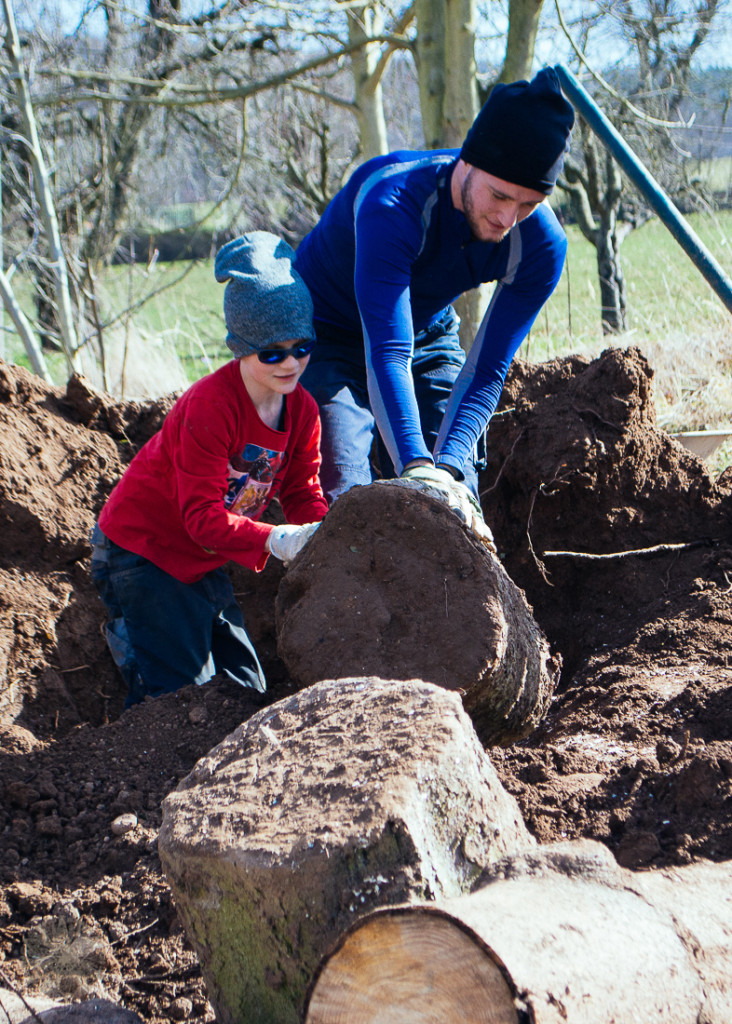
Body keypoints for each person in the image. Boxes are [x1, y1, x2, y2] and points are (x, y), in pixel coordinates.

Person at [294, 66, 574, 533]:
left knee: (454, 493)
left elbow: (487, 370)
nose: (508, 217)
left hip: (423, 327)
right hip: (327, 332)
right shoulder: (394, 204)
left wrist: (442, 471)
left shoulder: (541, 245)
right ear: (468, 160)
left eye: (528, 204)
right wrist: (415, 468)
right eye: (500, 195)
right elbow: (386, 351)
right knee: (347, 488)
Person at [90, 232, 328, 707]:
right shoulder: (210, 407)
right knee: (181, 700)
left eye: (302, 347)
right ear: (241, 346)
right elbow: (200, 516)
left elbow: (302, 491)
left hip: (203, 556)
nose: (291, 363)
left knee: (247, 694)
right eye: (272, 352)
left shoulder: (301, 411)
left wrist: (322, 533)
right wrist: (275, 539)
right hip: (144, 549)